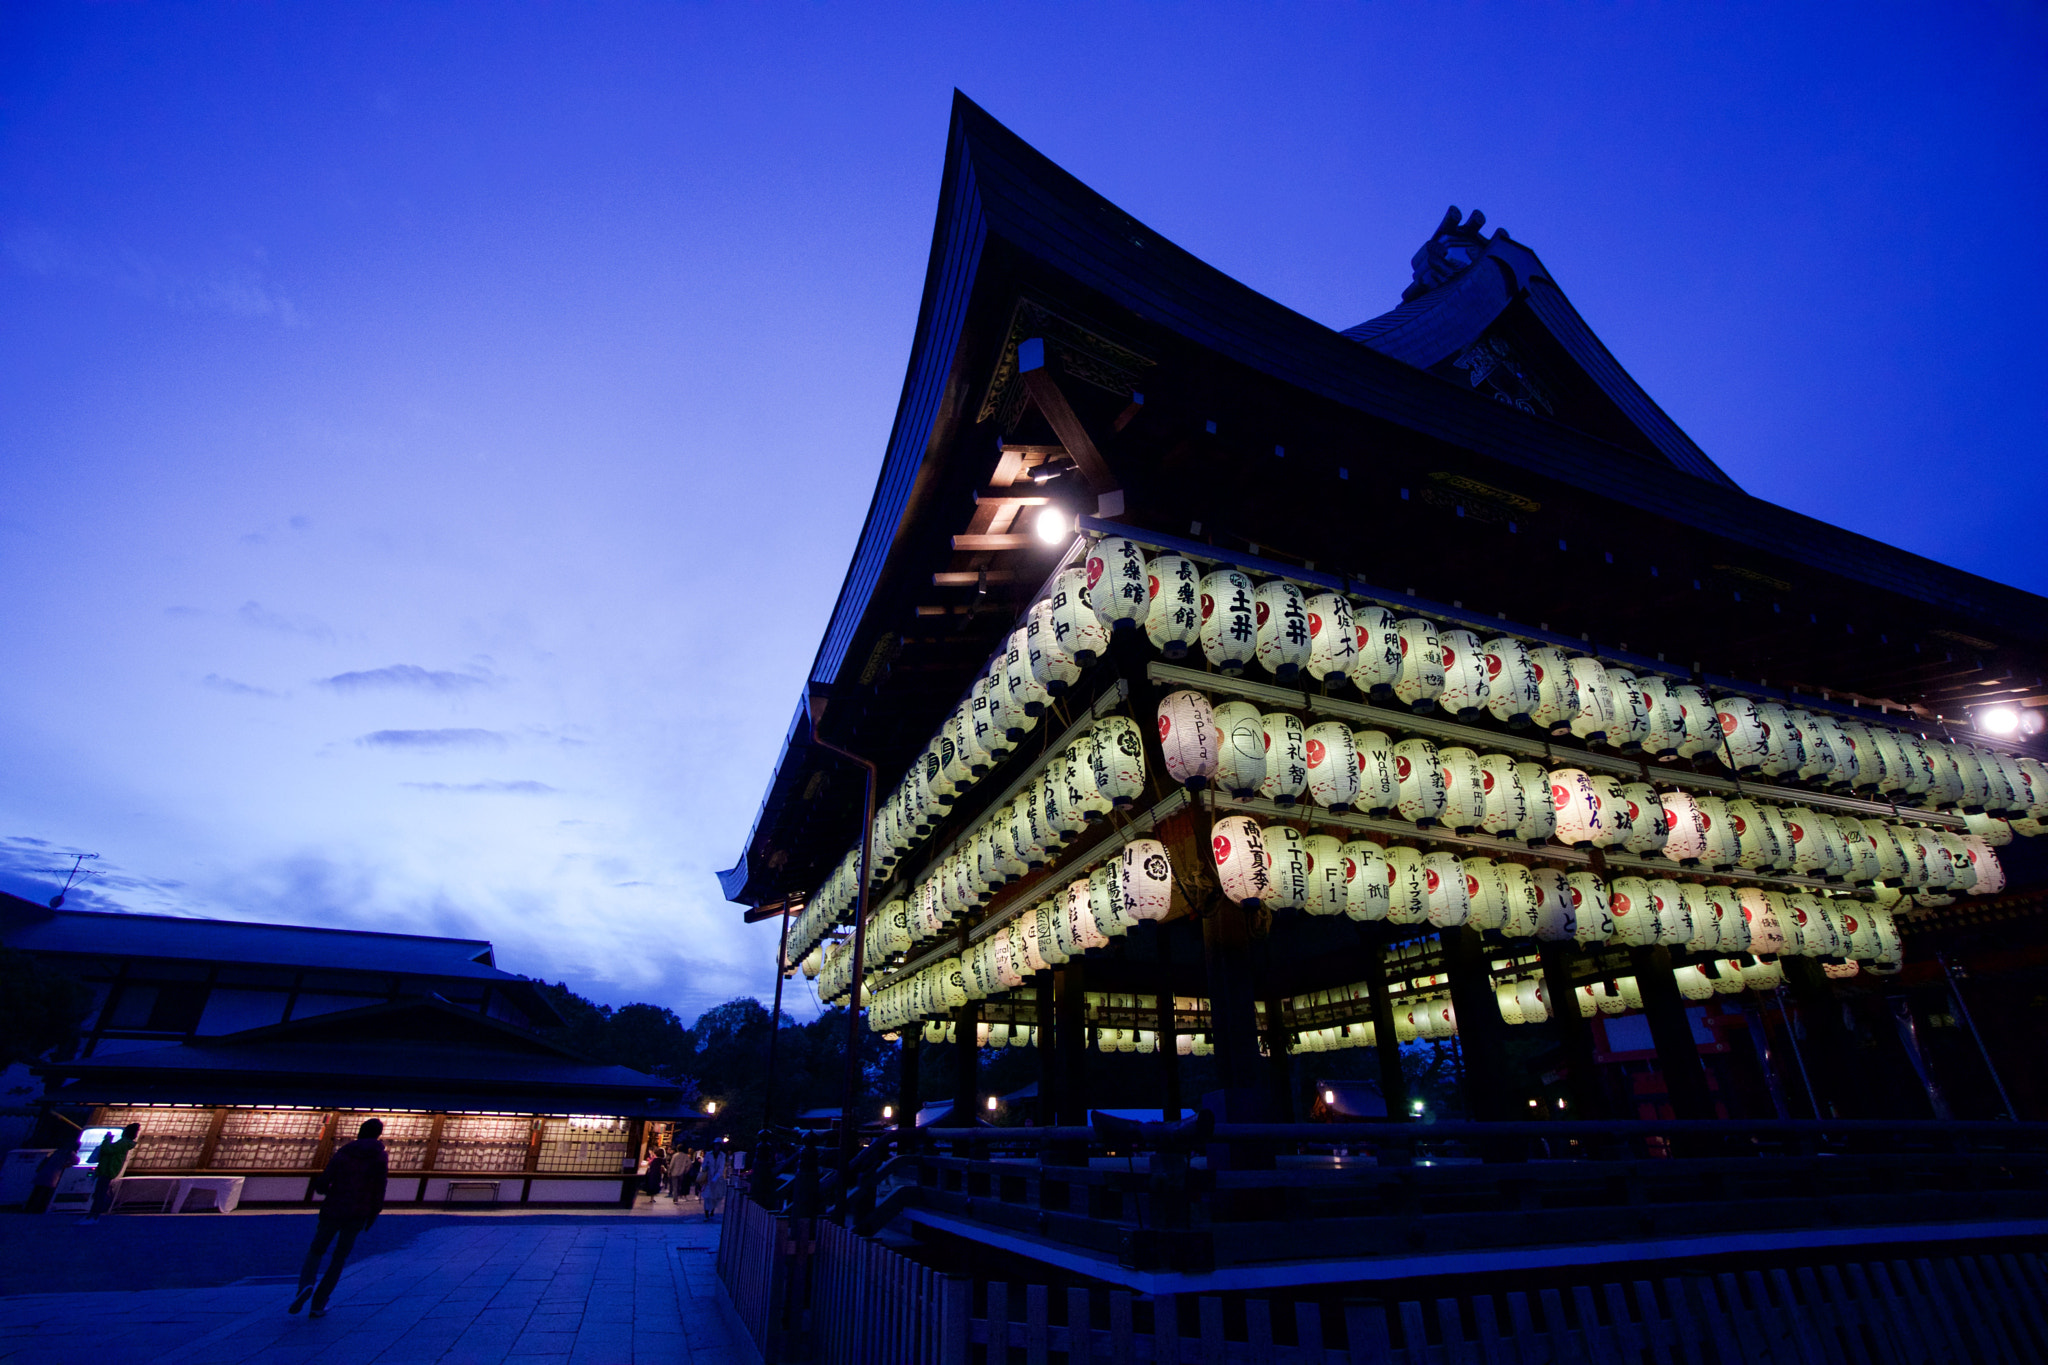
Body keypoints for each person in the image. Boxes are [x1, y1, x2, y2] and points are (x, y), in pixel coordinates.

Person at [291, 1118, 389, 1317]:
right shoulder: (379, 1156)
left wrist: (327, 1189)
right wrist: (374, 1211)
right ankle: (319, 1302)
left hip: (334, 1206)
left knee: (317, 1249)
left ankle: (306, 1283)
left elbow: (324, 1180)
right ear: (378, 1134)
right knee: (339, 1257)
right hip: (359, 1211)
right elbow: (380, 1186)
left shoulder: (345, 1152)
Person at [77, 1123, 138, 1223]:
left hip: (106, 1169)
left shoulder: (123, 1142)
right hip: (109, 1170)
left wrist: (107, 1139)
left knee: (99, 1193)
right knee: (100, 1193)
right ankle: (93, 1215)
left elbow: (107, 1150)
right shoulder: (125, 1144)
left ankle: (94, 1215)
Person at [27, 1135, 79, 1215]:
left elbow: (45, 1161)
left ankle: (30, 1207)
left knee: (37, 1191)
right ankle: (41, 1208)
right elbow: (76, 1161)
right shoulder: (69, 1153)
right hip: (53, 1175)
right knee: (46, 1193)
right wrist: (68, 1164)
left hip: (44, 1172)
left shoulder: (57, 1151)